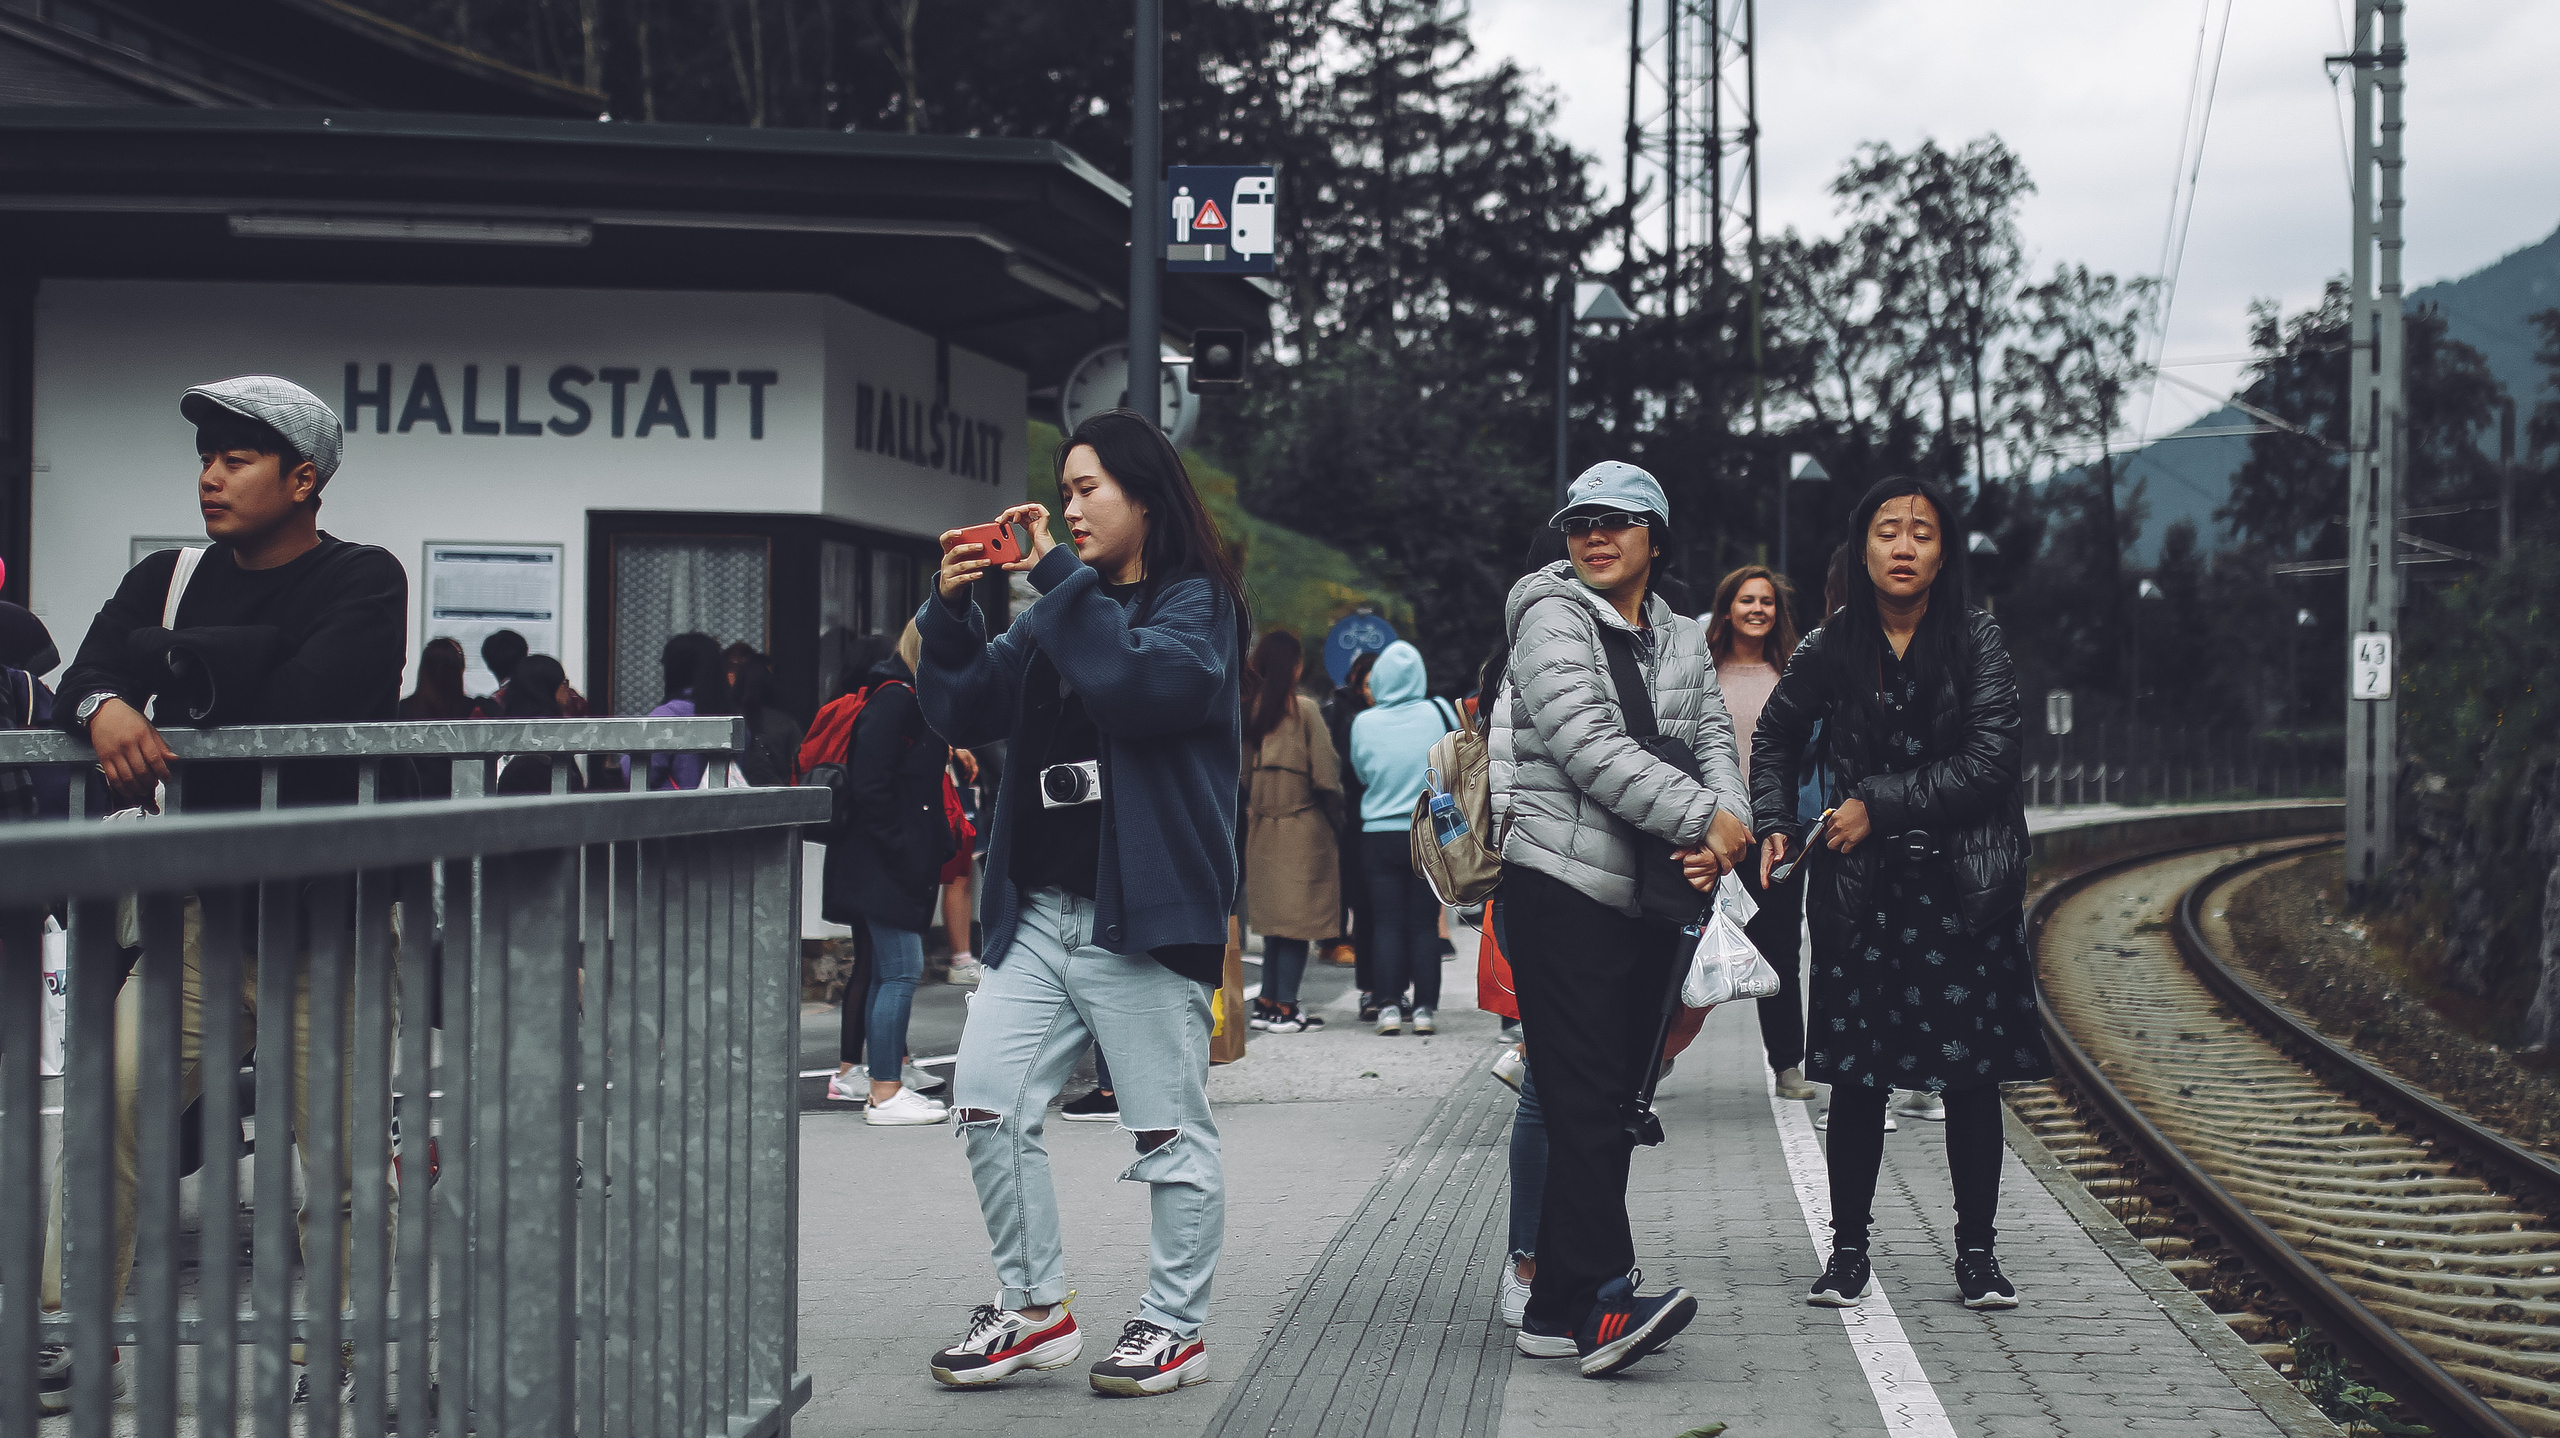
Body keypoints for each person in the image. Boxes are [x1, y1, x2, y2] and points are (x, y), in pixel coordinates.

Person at [41, 374, 408, 1411]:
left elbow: (307, 701)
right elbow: (82, 676)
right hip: (202, 920)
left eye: (237, 459)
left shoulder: (364, 578)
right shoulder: (169, 575)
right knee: (107, 1113)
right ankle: (73, 1335)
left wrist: (153, 668)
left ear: (303, 479)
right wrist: (106, 703)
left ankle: (335, 1357)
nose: (210, 476)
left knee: (338, 1162)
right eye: (206, 457)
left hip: (330, 919)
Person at [914, 407, 1246, 1397]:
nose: (1069, 509)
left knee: (1165, 1132)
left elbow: (1144, 688)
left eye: (1087, 488)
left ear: (1145, 494)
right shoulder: (1060, 611)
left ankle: (1174, 1328)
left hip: (1142, 914)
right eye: (1063, 492)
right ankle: (1033, 1309)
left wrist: (1056, 578)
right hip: (1039, 913)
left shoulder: (1197, 604)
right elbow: (966, 704)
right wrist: (951, 611)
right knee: (985, 1101)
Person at [1751, 475, 2050, 1313]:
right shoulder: (1831, 644)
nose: (1904, 546)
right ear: (1862, 548)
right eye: (1888, 531)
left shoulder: (1977, 639)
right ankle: (1847, 1254)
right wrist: (1774, 819)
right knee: (1857, 1079)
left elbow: (1992, 762)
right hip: (1863, 893)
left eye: (1922, 531)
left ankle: (1978, 1256)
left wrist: (1874, 804)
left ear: (1943, 552)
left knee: (1971, 1079)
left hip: (1965, 890)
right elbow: (1774, 735)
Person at [1491, 459, 1750, 1378]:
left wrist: (1725, 830)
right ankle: (1602, 1305)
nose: (1594, 536)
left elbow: (1714, 737)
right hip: (1559, 886)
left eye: (1615, 521)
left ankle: (1554, 1306)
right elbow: (1585, 744)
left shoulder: (1681, 634)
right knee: (1582, 1100)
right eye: (1579, 522)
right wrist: (1700, 820)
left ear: (1655, 537)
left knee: (1611, 1101)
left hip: (1645, 891)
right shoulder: (1550, 614)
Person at [821, 620, 954, 1126]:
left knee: (888, 972)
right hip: (886, 863)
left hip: (885, 860)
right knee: (898, 971)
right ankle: (884, 1091)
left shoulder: (898, 696)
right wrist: (905, 849)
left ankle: (885, 1086)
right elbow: (871, 786)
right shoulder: (896, 699)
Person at [1704, 565, 1821, 1101]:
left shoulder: (1794, 670)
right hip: (1711, 830)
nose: (1757, 609)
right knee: (1688, 944)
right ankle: (1660, 1055)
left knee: (1778, 948)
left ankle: (1787, 1064)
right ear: (1727, 610)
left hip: (1780, 832)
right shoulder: (1703, 670)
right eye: (1747, 600)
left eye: (1766, 602)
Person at [1347, 640, 1456, 1035]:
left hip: (1378, 834)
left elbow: (1361, 773)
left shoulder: (1364, 722)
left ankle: (1388, 1006)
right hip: (1427, 831)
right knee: (1425, 924)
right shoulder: (1439, 711)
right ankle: (1424, 1010)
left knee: (1385, 923)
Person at [1241, 629, 1341, 1033]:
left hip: (1261, 828)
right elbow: (1326, 775)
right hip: (1302, 828)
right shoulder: (1304, 710)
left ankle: (1267, 1003)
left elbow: (1240, 775)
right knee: (1299, 923)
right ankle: (1286, 1006)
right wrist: (1340, 821)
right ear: (1294, 666)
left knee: (1274, 925)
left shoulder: (1247, 711)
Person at [1320, 649, 1376, 987]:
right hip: (1350, 808)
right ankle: (1337, 939)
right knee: (1345, 878)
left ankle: (1343, 940)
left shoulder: (1360, 712)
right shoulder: (1345, 712)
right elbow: (1344, 764)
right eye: (1367, 683)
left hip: (1362, 809)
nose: (1372, 690)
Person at [492, 655, 590, 794]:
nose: (569, 690)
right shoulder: (551, 733)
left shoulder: (508, 728)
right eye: (564, 683)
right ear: (550, 687)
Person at [646, 632, 731, 790]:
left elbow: (636, 770)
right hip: (726, 804)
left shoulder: (668, 715)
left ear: (673, 671)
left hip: (676, 804)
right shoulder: (734, 714)